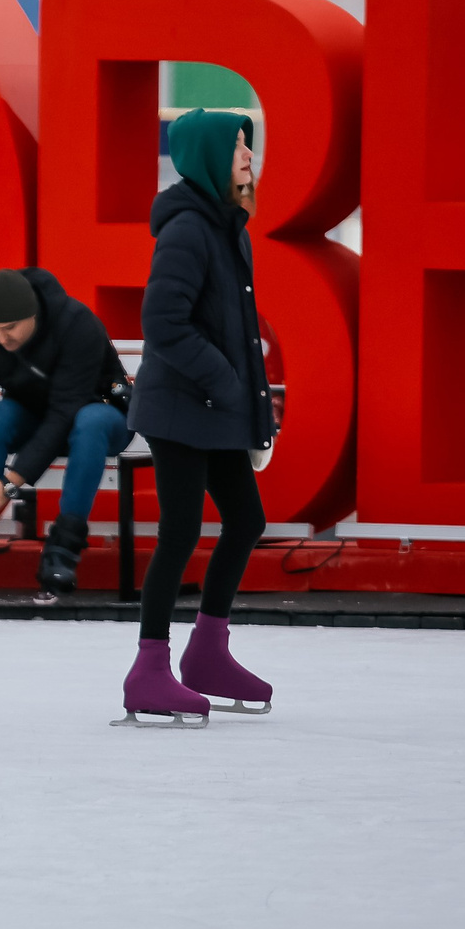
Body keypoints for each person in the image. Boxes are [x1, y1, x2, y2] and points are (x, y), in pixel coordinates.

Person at [116, 109, 276, 726]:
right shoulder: (187, 229)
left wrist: (252, 408)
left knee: (246, 520)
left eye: (248, 145)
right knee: (181, 531)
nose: (247, 155)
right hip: (178, 409)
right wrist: (225, 381)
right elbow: (162, 323)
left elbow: (238, 330)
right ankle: (148, 670)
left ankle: (207, 652)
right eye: (236, 145)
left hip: (214, 406)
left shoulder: (228, 226)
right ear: (207, 155)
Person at [0, 267, 130, 603]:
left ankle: (63, 551)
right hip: (36, 416)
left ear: (33, 315)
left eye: (10, 328)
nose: (2, 339)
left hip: (100, 413)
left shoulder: (77, 324)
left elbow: (65, 413)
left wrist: (9, 485)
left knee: (90, 421)